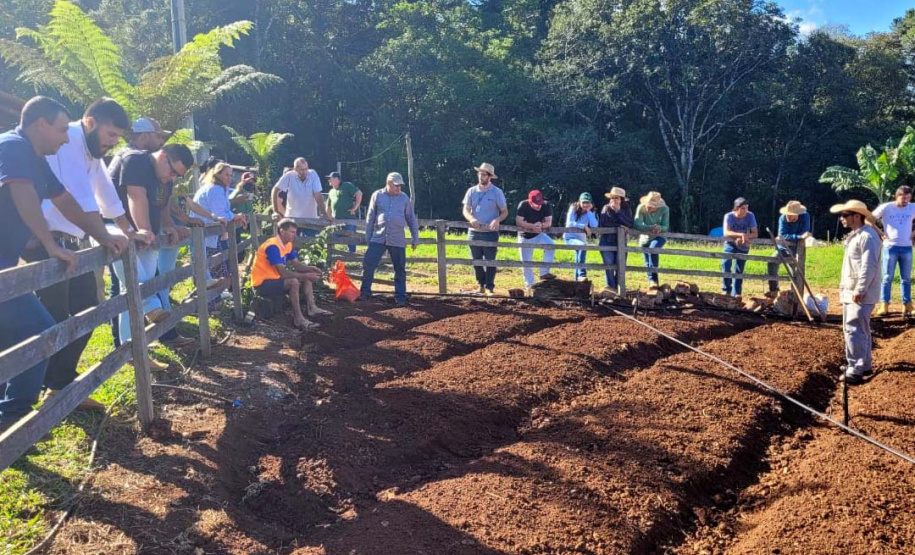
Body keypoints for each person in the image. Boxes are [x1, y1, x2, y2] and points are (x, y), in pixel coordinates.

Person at [0, 96, 124, 430]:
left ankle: (11, 415)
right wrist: (50, 243)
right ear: (40, 124)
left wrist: (103, 236)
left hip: (5, 263)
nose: (66, 137)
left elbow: (67, 202)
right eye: (60, 130)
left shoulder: (36, 159)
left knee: (20, 333)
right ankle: (14, 418)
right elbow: (22, 194)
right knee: (37, 329)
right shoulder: (12, 147)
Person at [108, 143, 194, 351]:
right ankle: (152, 307)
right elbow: (135, 196)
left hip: (146, 234)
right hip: (116, 227)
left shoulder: (166, 177)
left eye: (177, 176)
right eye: (173, 171)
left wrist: (169, 226)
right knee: (136, 281)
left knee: (129, 289)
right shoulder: (136, 160)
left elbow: (163, 204)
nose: (172, 177)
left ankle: (133, 349)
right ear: (163, 156)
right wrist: (144, 231)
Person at [830, 199, 881, 385]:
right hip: (852, 290)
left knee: (854, 329)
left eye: (845, 215)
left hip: (860, 292)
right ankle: (863, 364)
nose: (842, 219)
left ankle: (855, 368)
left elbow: (869, 266)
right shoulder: (856, 235)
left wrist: (860, 289)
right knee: (860, 328)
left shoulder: (867, 237)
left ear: (857, 216)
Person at [251, 218, 329, 330]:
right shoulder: (272, 246)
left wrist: (309, 269)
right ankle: (298, 319)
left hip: (275, 280)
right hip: (262, 284)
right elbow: (283, 273)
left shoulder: (287, 244)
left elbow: (297, 265)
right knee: (294, 282)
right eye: (292, 232)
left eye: (295, 232)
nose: (295, 235)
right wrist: (306, 275)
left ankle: (312, 308)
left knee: (306, 277)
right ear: (282, 231)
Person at [192, 162, 247, 308]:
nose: (229, 178)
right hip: (205, 232)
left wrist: (233, 216)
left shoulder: (221, 189)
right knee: (211, 268)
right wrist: (235, 216)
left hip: (211, 233)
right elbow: (220, 213)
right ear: (217, 174)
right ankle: (204, 302)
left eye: (230, 175)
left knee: (213, 267)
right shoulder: (215, 189)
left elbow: (224, 211)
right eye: (226, 174)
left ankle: (213, 300)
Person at [361, 172, 419, 307]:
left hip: (397, 238)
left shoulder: (404, 198)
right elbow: (370, 217)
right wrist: (368, 236)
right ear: (388, 183)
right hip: (379, 236)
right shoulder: (377, 195)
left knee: (399, 268)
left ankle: (400, 297)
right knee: (368, 263)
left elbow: (411, 219)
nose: (399, 188)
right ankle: (365, 292)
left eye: (400, 186)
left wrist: (415, 237)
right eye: (396, 185)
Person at [462, 162, 508, 294]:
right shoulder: (471, 191)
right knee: (476, 262)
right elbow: (466, 209)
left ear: (490, 177)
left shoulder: (497, 192)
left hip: (490, 232)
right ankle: (480, 285)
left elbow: (504, 211)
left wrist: (497, 219)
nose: (480, 177)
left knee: (490, 262)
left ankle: (489, 287)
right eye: (479, 174)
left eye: (483, 174)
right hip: (474, 232)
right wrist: (471, 218)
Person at [871, 185, 915, 317]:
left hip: (907, 247)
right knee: (887, 277)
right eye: (903, 198)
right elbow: (869, 219)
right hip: (890, 246)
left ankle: (907, 304)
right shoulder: (887, 207)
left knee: (906, 278)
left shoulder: (912, 207)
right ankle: (884, 304)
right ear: (896, 196)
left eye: (908, 198)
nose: (905, 201)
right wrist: (880, 233)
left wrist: (913, 233)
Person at [271, 157, 331, 236]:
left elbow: (318, 196)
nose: (305, 172)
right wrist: (275, 211)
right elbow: (275, 190)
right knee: (291, 246)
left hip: (311, 219)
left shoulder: (313, 174)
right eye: (302, 170)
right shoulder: (289, 176)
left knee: (314, 245)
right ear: (295, 169)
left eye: (306, 169)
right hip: (292, 219)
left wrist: (325, 214)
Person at [768, 200, 811, 295]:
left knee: (796, 270)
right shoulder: (782, 218)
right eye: (787, 214)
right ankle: (773, 289)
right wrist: (798, 237)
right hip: (782, 247)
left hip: (797, 249)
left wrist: (799, 236)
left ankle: (794, 292)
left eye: (791, 215)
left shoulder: (805, 217)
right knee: (772, 261)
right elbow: (782, 235)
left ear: (798, 214)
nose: (788, 217)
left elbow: (805, 232)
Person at [516, 190, 555, 293]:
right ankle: (530, 287)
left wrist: (541, 226)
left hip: (539, 234)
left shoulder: (546, 205)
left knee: (550, 245)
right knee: (527, 263)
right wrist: (531, 226)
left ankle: (544, 272)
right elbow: (519, 221)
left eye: (539, 204)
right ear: (529, 201)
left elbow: (549, 221)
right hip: (525, 237)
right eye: (535, 204)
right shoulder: (523, 205)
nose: (538, 206)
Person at [598, 187, 634, 291]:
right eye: (612, 197)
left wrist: (618, 211)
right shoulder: (606, 208)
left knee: (620, 265)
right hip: (606, 240)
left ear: (621, 199)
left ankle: (619, 288)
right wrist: (620, 226)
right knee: (609, 266)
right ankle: (611, 289)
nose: (614, 199)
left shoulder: (626, 209)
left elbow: (630, 223)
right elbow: (604, 224)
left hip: (621, 242)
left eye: (616, 198)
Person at [721, 197, 758, 298]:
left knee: (739, 269)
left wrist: (744, 236)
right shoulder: (728, 216)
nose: (745, 211)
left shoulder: (750, 215)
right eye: (743, 208)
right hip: (730, 244)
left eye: (746, 208)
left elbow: (755, 233)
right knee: (726, 264)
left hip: (743, 244)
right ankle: (726, 290)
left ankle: (737, 293)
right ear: (736, 208)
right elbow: (726, 232)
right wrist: (740, 235)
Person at [633, 191, 670, 289]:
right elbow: (637, 224)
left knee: (653, 250)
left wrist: (659, 228)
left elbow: (666, 226)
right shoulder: (641, 208)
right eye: (649, 204)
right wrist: (649, 228)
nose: (650, 207)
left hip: (659, 236)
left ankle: (654, 281)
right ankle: (652, 282)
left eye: (653, 205)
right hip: (644, 238)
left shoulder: (665, 209)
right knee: (647, 262)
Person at [563, 192, 598, 281]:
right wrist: (583, 226)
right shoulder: (573, 208)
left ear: (591, 203)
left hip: (581, 239)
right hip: (570, 238)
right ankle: (582, 274)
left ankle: (577, 282)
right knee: (583, 246)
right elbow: (569, 223)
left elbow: (594, 225)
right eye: (584, 202)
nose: (585, 204)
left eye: (588, 202)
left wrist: (589, 212)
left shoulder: (591, 211)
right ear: (579, 202)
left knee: (578, 260)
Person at [326, 171, 363, 254]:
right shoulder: (331, 192)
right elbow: (328, 207)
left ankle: (352, 257)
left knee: (350, 238)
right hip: (336, 221)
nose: (329, 180)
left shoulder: (347, 185)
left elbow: (359, 193)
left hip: (349, 218)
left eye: (330, 179)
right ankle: (333, 255)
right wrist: (328, 217)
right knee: (333, 237)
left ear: (336, 179)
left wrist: (355, 208)